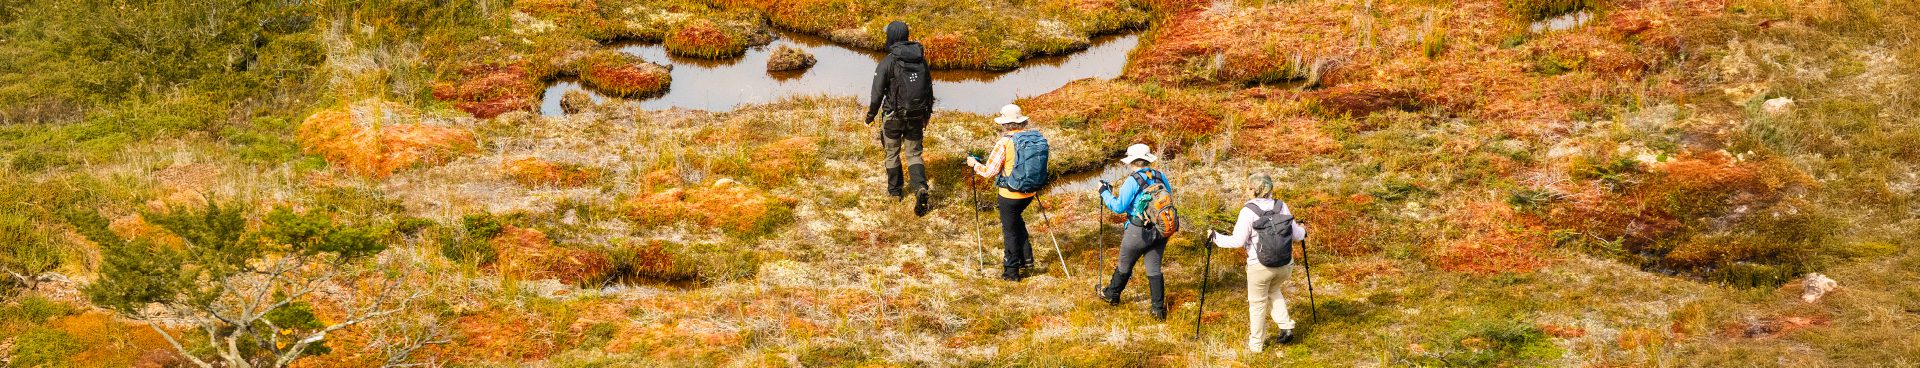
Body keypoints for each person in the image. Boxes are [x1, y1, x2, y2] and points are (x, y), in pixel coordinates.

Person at [1209, 174, 1308, 353]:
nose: (1246, 190)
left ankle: (1256, 346)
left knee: (1257, 304)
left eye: (1248, 187)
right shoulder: (1281, 205)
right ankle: (1286, 326)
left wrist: (1215, 237)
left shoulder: (1248, 211)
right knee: (1273, 289)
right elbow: (1297, 236)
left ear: (1254, 190)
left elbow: (1237, 241)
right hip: (1285, 266)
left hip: (1260, 267)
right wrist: (1303, 229)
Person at [866, 20, 936, 215]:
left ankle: (895, 192)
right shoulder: (921, 60)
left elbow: (876, 94)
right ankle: (920, 188)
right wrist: (926, 114)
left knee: (892, 153)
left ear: (891, 37)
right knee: (914, 154)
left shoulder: (887, 62)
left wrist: (870, 116)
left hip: (893, 117)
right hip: (916, 116)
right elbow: (929, 90)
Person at [1097, 144, 1173, 320]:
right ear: (1147, 159)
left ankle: (1112, 295)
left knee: (1125, 264)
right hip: (1161, 229)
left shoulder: (1133, 180)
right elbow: (1167, 197)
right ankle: (1158, 310)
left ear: (1131, 162)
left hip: (1137, 231)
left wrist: (1104, 192)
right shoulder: (1161, 176)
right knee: (1154, 267)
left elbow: (1118, 207)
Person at [968, 104, 1042, 281]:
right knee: (1017, 222)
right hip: (1030, 192)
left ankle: (1011, 272)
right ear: (1020, 123)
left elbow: (989, 172)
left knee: (1009, 231)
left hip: (1010, 194)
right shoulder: (1033, 139)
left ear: (1004, 124)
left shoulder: (1004, 143)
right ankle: (1027, 260)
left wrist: (974, 164)